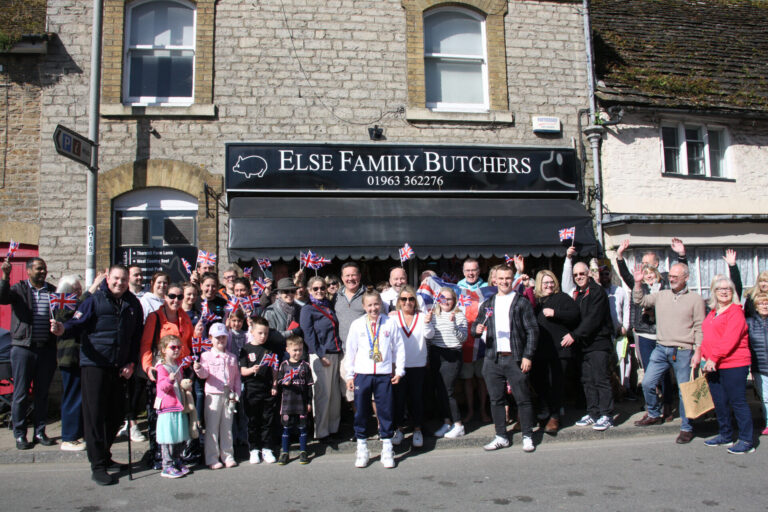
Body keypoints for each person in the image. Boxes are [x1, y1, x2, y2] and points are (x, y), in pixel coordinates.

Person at [51, 264, 144, 486]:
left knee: (116, 415)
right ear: (108, 278)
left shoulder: (133, 304)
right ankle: (98, 465)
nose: (119, 283)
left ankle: (105, 454)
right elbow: (77, 322)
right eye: (115, 278)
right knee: (94, 416)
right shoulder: (94, 300)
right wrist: (63, 329)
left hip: (119, 366)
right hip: (94, 364)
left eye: (123, 279)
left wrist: (131, 362)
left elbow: (135, 338)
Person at [632, 262, 705, 444]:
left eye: (675, 276)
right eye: (670, 276)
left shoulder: (695, 299)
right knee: (648, 383)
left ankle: (687, 428)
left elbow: (699, 328)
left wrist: (698, 351)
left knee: (684, 391)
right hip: (661, 348)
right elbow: (640, 301)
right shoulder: (662, 295)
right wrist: (638, 284)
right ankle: (654, 414)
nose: (671, 279)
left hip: (683, 350)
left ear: (686, 278)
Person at [473, 266, 538, 453]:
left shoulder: (521, 302)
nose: (504, 282)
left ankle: (527, 435)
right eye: (500, 278)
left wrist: (528, 355)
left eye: (508, 278)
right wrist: (475, 330)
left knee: (522, 399)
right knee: (496, 400)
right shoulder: (488, 303)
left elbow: (533, 331)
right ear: (494, 280)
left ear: (513, 279)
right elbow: (475, 328)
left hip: (515, 358)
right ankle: (501, 436)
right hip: (493, 358)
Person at [1, 258, 59, 450]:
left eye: (44, 269)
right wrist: (5, 276)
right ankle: (20, 434)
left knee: (42, 393)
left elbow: (61, 313)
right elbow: (2, 297)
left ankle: (40, 431)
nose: (42, 272)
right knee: (21, 393)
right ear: (28, 271)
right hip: (23, 349)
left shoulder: (52, 290)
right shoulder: (19, 289)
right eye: (38, 269)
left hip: (46, 349)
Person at [345, 290, 405, 469]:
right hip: (362, 374)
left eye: (376, 304)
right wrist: (350, 374)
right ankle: (362, 447)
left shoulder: (390, 323)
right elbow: (351, 350)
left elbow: (399, 348)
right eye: (369, 305)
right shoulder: (357, 325)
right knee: (361, 410)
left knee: (385, 410)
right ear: (364, 306)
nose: (373, 308)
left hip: (383, 373)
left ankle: (387, 447)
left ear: (381, 304)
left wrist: (399, 370)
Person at [138, 283, 193, 469]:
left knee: (176, 416)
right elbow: (146, 344)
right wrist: (148, 367)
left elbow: (188, 343)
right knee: (157, 416)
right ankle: (158, 456)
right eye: (172, 296)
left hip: (179, 371)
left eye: (179, 297)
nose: (175, 300)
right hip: (160, 371)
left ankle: (176, 456)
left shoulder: (184, 317)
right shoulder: (155, 318)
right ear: (165, 297)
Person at [701, 276, 754, 454]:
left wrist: (713, 358)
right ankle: (725, 435)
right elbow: (708, 337)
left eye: (728, 289)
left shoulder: (735, 312)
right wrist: (702, 355)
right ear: (714, 292)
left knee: (737, 401)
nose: (724, 292)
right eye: (720, 289)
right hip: (713, 364)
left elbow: (729, 340)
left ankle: (746, 440)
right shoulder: (712, 312)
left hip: (733, 363)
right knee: (720, 402)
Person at [564, 262, 616, 432]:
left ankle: (607, 414)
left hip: (598, 343)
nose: (579, 277)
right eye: (576, 275)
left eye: (581, 274)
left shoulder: (597, 292)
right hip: (584, 345)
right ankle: (593, 412)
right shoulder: (578, 294)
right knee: (587, 380)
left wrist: (574, 335)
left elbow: (592, 319)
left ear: (589, 274)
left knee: (601, 379)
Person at [530, 270, 579, 434]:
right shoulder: (536, 301)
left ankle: (555, 417)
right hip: (540, 350)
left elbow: (575, 315)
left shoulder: (562, 298)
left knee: (555, 384)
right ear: (539, 284)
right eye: (545, 282)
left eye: (551, 282)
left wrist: (555, 313)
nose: (549, 285)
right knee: (541, 382)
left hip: (559, 350)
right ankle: (545, 411)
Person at [54, 274, 96, 452]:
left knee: (78, 396)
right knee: (72, 397)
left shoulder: (74, 303)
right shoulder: (63, 304)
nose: (79, 291)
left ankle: (76, 434)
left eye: (79, 288)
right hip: (69, 356)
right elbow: (76, 315)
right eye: (76, 288)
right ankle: (69, 437)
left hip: (77, 357)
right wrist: (91, 289)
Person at [390, 285, 433, 447]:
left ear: (415, 301)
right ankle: (399, 429)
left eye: (411, 299)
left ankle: (417, 429)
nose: (407, 302)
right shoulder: (393, 318)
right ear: (399, 301)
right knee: (398, 399)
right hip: (399, 366)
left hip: (418, 364)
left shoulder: (422, 317)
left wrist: (428, 323)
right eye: (404, 299)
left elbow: (430, 335)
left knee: (416, 399)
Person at [300, 276, 342, 442]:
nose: (319, 291)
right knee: (322, 394)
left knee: (334, 395)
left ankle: (333, 427)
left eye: (322, 288)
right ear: (309, 290)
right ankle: (322, 431)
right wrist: (320, 354)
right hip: (320, 355)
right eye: (315, 289)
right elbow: (308, 335)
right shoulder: (307, 309)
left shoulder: (329, 306)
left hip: (335, 352)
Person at [193, 322, 241, 469]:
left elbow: (236, 378)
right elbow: (204, 375)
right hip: (213, 394)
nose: (221, 341)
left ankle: (227, 455)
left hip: (229, 394)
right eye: (217, 338)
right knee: (212, 427)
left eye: (223, 338)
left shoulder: (232, 357)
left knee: (227, 426)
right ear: (211, 338)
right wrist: (198, 368)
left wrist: (236, 393)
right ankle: (212, 457)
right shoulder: (206, 355)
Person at [426, 287, 468, 439]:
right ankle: (447, 422)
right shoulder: (433, 315)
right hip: (436, 354)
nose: (446, 301)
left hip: (452, 354)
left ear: (454, 301)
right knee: (439, 390)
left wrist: (454, 325)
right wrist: (427, 322)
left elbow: (463, 338)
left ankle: (458, 424)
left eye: (449, 299)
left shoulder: (459, 316)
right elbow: (428, 338)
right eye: (443, 298)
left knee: (448, 391)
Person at [240, 317, 279, 464]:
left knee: (267, 420)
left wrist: (275, 385)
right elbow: (242, 370)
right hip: (252, 390)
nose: (263, 336)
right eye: (260, 333)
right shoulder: (246, 349)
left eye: (266, 333)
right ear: (252, 332)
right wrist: (251, 370)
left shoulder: (270, 350)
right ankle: (254, 449)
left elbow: (275, 368)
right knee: (253, 420)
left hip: (267, 389)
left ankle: (267, 448)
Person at [458, 258, 491, 425]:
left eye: (474, 270)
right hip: (464, 343)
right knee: (468, 380)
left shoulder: (487, 289)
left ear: (479, 271)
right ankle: (470, 411)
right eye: (468, 270)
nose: (471, 273)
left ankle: (483, 410)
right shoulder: (457, 289)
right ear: (463, 272)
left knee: (482, 379)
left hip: (483, 343)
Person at [154, 334, 191, 478]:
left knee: (178, 436)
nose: (176, 350)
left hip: (178, 404)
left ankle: (176, 460)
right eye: (172, 347)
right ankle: (166, 465)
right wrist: (169, 380)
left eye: (178, 347)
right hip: (167, 406)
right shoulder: (161, 367)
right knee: (167, 437)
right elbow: (161, 387)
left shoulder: (178, 365)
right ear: (164, 349)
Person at [275, 335, 314, 465]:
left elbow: (309, 386)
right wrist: (284, 383)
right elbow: (279, 381)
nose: (297, 353)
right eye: (295, 350)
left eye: (300, 350)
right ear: (288, 350)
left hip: (301, 403)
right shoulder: (284, 365)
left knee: (303, 428)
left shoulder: (305, 366)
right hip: (287, 404)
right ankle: (285, 452)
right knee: (286, 428)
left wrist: (309, 402)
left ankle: (303, 451)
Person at [335, 262, 366, 403]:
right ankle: (358, 424)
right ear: (342, 278)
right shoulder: (335, 297)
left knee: (371, 394)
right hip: (346, 353)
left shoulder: (369, 295)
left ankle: (377, 425)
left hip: (366, 352)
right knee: (351, 394)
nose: (350, 278)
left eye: (354, 274)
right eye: (347, 275)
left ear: (359, 276)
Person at [746, 292, 768, 436]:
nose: (765, 305)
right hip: (760, 366)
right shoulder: (749, 323)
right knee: (766, 397)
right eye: (761, 303)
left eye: (766, 303)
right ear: (755, 306)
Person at [263, 277, 302, 347]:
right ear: (279, 293)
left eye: (292, 291)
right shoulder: (270, 311)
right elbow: (270, 335)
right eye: (286, 291)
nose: (290, 294)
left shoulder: (300, 309)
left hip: (296, 350)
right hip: (277, 350)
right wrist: (291, 332)